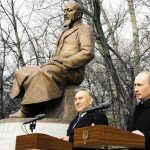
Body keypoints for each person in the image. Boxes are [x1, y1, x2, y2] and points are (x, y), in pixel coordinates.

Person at [9, 1, 94, 117]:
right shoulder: (65, 32)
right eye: (65, 11)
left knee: (42, 73)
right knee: (22, 72)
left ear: (79, 14)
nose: (65, 13)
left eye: (69, 10)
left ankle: (28, 110)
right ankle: (37, 103)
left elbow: (88, 53)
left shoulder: (84, 29)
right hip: (56, 66)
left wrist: (66, 62)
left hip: (72, 71)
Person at [127, 71, 150, 149]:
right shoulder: (138, 108)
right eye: (135, 85)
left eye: (140, 85)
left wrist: (144, 136)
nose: (136, 89)